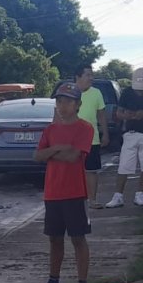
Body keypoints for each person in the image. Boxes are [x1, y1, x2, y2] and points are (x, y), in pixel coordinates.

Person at [29, 81, 94, 283]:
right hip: (52, 193)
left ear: (78, 104)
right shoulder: (50, 130)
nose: (63, 105)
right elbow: (37, 157)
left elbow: (74, 156)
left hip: (75, 192)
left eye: (68, 101)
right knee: (54, 239)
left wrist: (51, 152)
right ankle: (53, 282)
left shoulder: (85, 128)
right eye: (59, 101)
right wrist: (58, 148)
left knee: (78, 238)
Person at [105, 68, 143, 207]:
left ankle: (140, 193)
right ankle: (118, 196)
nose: (139, 91)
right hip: (130, 132)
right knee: (124, 165)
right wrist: (126, 115)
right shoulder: (127, 92)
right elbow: (118, 113)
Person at [62, 66, 109, 206]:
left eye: (92, 75)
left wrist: (105, 134)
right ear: (78, 77)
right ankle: (72, 200)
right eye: (88, 75)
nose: (91, 78)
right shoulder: (67, 92)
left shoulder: (96, 93)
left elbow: (101, 115)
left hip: (91, 139)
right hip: (70, 141)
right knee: (70, 171)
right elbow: (58, 114)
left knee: (91, 171)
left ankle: (92, 200)